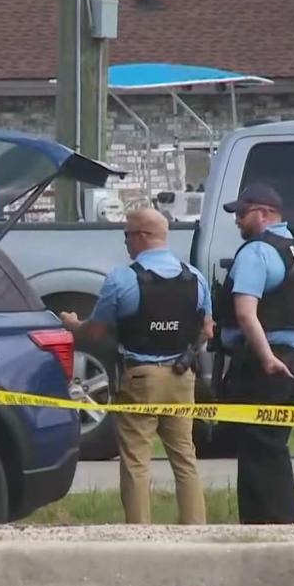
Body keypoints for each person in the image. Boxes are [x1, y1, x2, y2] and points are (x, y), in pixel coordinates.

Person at [60, 208, 211, 525]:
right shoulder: (194, 277)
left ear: (143, 236)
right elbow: (207, 330)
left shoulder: (122, 278)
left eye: (127, 234)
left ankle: (139, 531)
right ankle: (195, 529)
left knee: (136, 460)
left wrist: (73, 326)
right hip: (182, 376)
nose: (126, 241)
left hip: (140, 377)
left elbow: (96, 331)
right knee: (185, 456)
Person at [214, 182, 294, 524]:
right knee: (272, 448)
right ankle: (277, 525)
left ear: (263, 214)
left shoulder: (257, 252)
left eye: (242, 214)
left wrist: (264, 358)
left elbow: (246, 313)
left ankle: (269, 528)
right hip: (288, 360)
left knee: (257, 452)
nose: (237, 221)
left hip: (261, 365)